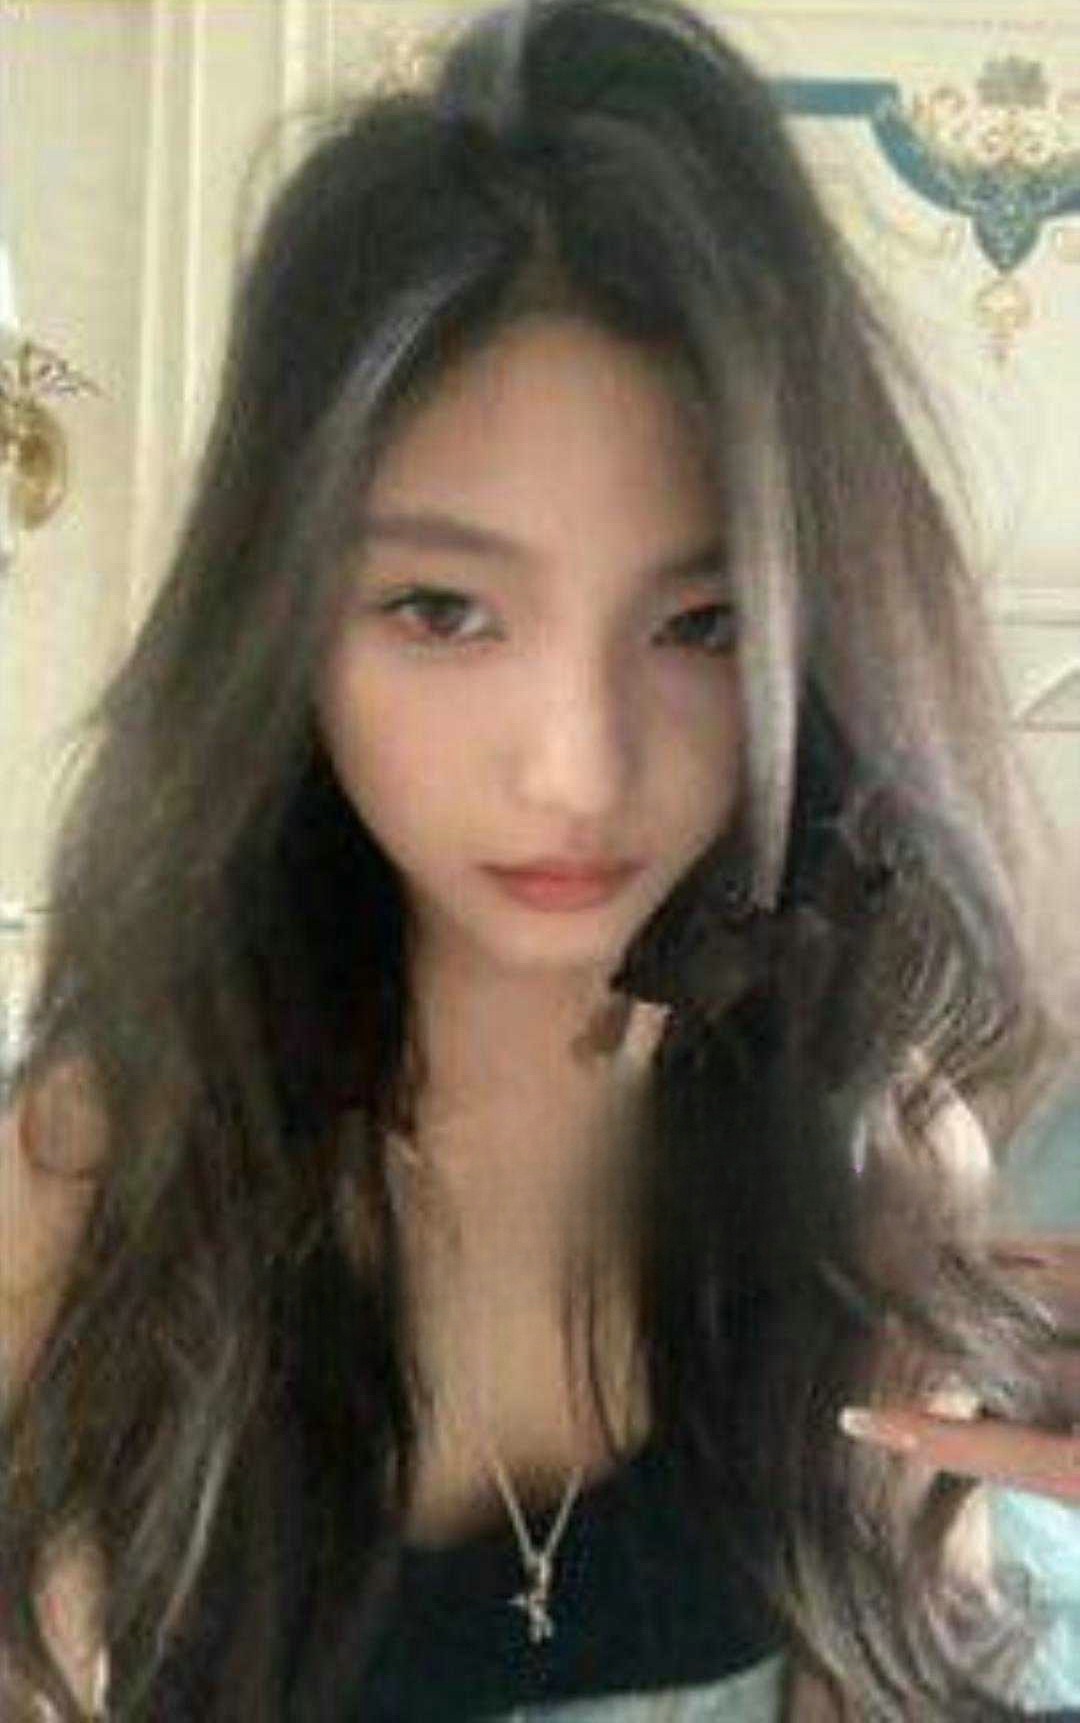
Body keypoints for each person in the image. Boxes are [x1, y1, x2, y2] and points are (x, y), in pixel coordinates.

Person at [1, 1, 1079, 1717]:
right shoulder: (100, 1177)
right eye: (444, 609)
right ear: (286, 621)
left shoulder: (868, 1177)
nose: (579, 769)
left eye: (707, 622)